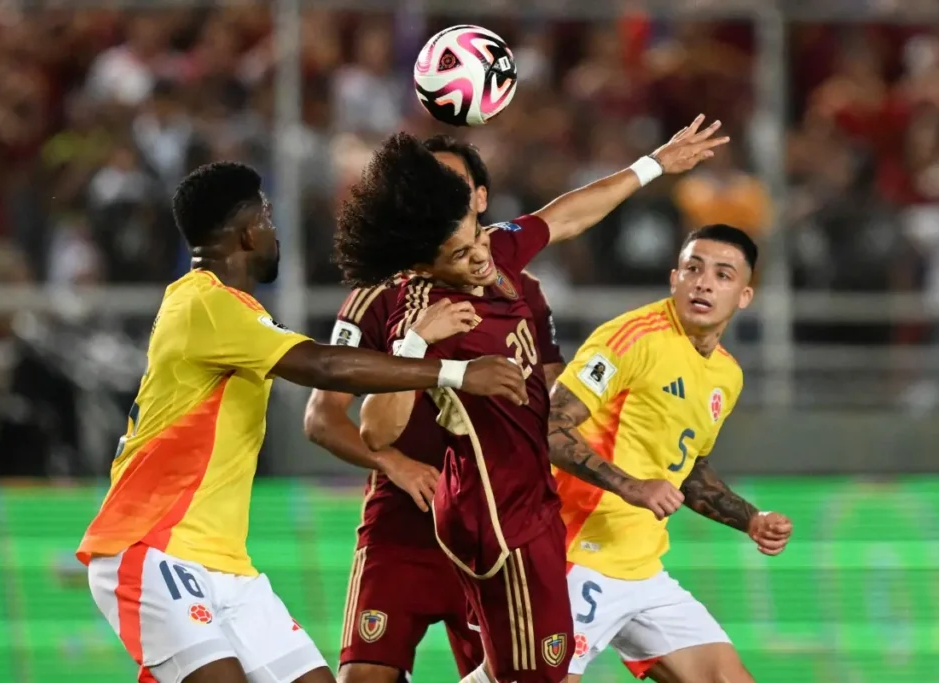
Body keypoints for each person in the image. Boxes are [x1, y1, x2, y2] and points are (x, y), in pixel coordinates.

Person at [77, 161, 528, 683]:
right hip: (150, 546)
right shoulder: (205, 303)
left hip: (225, 565)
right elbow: (324, 366)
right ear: (248, 231)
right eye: (267, 217)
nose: (274, 231)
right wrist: (455, 372)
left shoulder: (227, 310)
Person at [334, 116, 727, 683]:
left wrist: (654, 165)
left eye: (478, 236)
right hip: (493, 516)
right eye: (461, 252)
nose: (481, 256)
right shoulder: (420, 314)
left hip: (530, 503)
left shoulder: (496, 254)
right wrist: (426, 354)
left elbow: (565, 215)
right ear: (424, 261)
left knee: (527, 672)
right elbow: (375, 429)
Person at [305, 136, 566, 683]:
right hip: (402, 524)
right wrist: (394, 464)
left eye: (454, 188)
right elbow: (322, 418)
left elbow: (549, 400)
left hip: (493, 524)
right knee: (364, 677)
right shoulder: (377, 296)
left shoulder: (520, 285)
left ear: (480, 199)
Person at [546, 224, 794, 683]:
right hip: (573, 556)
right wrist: (630, 486)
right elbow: (549, 426)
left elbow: (687, 468)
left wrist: (750, 519)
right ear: (674, 278)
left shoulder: (726, 376)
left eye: (722, 275)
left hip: (642, 569)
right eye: (693, 269)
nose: (703, 283)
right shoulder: (630, 339)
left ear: (744, 295)